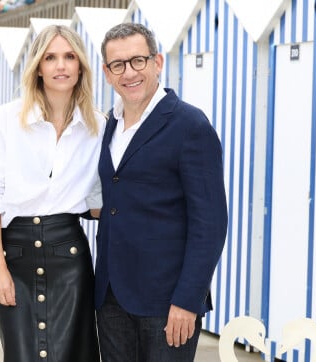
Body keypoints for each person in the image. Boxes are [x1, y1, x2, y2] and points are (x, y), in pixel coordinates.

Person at [0, 25, 103, 362]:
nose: (61, 66)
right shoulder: (8, 119)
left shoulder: (96, 127)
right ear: (37, 66)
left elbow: (100, 200)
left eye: (70, 57)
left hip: (70, 257)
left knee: (73, 354)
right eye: (50, 57)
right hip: (16, 254)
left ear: (81, 65)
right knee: (22, 354)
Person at [95, 22, 228, 362]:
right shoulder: (109, 125)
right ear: (107, 73)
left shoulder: (189, 125)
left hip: (167, 301)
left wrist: (188, 300)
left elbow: (210, 224)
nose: (129, 73)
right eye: (118, 65)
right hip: (111, 296)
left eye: (137, 61)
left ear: (157, 62)